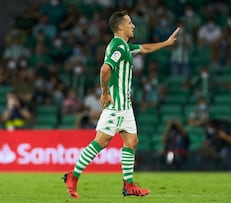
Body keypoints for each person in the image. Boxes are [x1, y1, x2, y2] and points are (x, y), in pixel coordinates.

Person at [62, 10, 180, 198]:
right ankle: (72, 177)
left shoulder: (124, 46)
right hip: (116, 105)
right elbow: (105, 68)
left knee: (131, 142)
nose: (133, 26)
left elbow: (144, 48)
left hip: (126, 107)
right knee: (101, 142)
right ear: (121, 27)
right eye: (130, 23)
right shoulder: (117, 46)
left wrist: (166, 43)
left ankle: (129, 185)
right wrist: (104, 93)